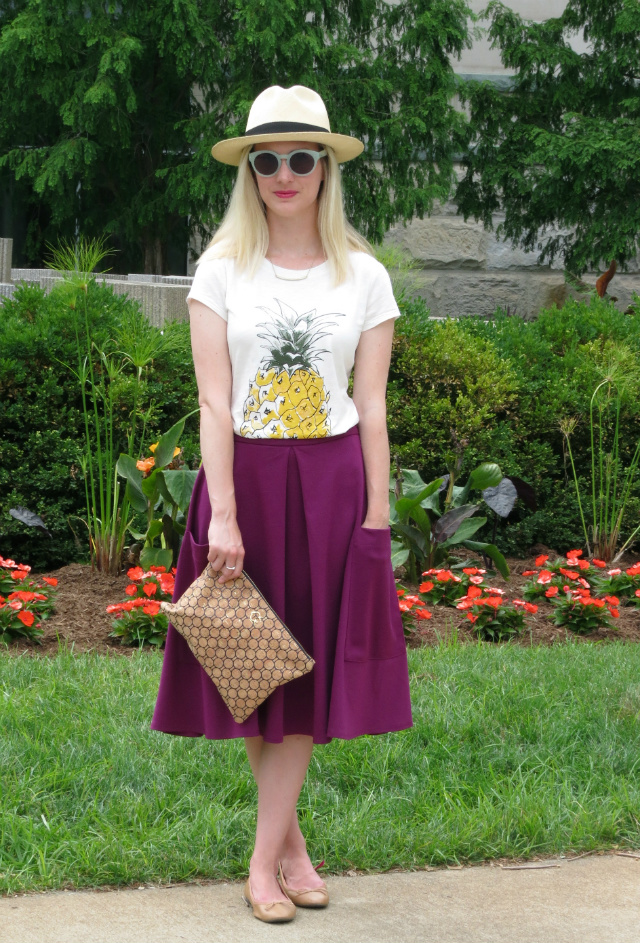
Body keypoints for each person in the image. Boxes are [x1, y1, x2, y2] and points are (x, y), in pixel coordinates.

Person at [150, 84, 413, 923]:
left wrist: (377, 515)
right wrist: (220, 511)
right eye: (269, 159)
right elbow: (214, 402)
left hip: (333, 484)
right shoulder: (221, 268)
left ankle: (264, 862)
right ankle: (288, 849)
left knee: (299, 669)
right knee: (254, 665)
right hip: (246, 486)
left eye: (304, 157)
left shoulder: (364, 276)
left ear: (328, 168)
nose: (286, 173)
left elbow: (370, 403)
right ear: (251, 172)